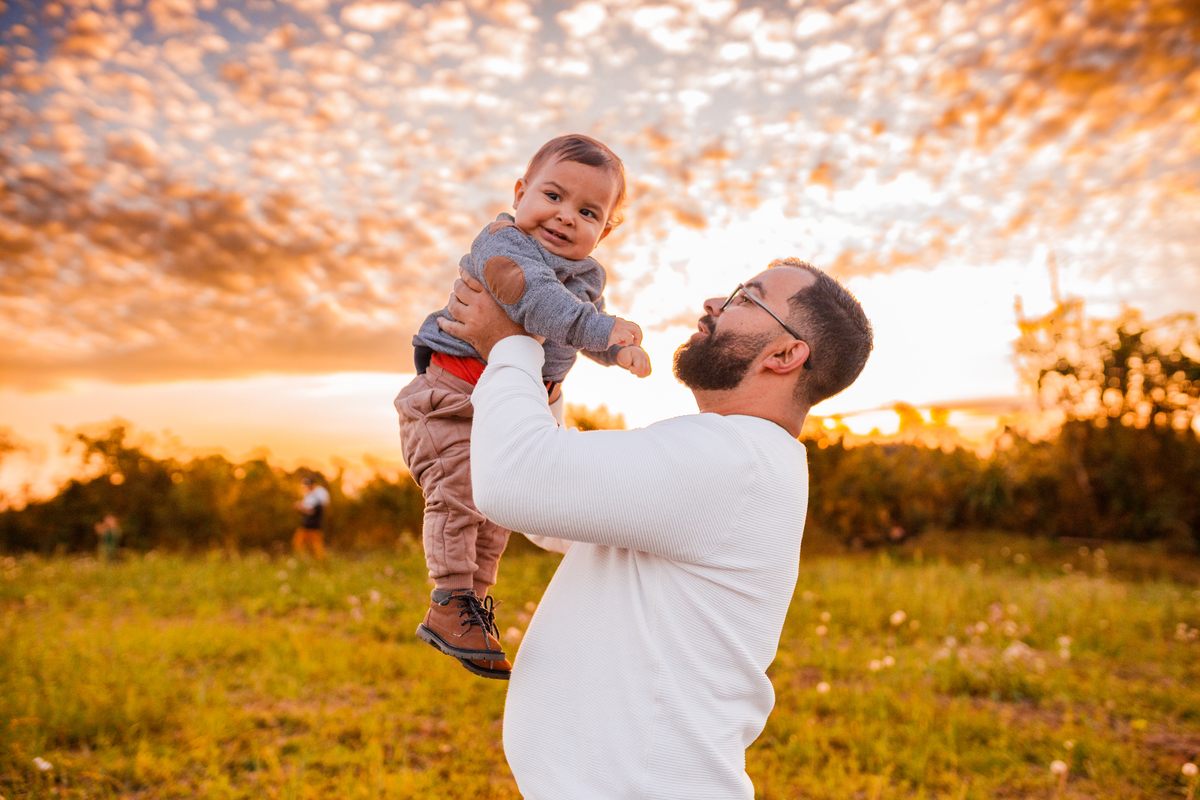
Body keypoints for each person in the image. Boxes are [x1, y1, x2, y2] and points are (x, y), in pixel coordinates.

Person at [438, 257, 872, 799]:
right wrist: (546, 379)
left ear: (785, 355)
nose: (715, 303)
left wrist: (511, 345)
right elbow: (563, 519)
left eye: (745, 297)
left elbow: (514, 482)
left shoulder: (732, 460)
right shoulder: (740, 457)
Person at [394, 134, 652, 680]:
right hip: (449, 400)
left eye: (586, 212)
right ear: (520, 191)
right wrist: (602, 328)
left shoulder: (586, 278)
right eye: (552, 196)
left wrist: (615, 348)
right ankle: (448, 600)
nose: (563, 218)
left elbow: (578, 329)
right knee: (460, 495)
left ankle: (473, 609)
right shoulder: (504, 246)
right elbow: (540, 304)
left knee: (497, 510)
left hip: (505, 408)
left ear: (604, 231)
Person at [292, 477, 329, 560]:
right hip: (306, 525)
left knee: (317, 548)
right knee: (297, 544)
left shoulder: (320, 494)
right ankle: (303, 560)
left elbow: (313, 511)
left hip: (314, 526)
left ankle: (321, 562)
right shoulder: (308, 495)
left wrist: (301, 507)